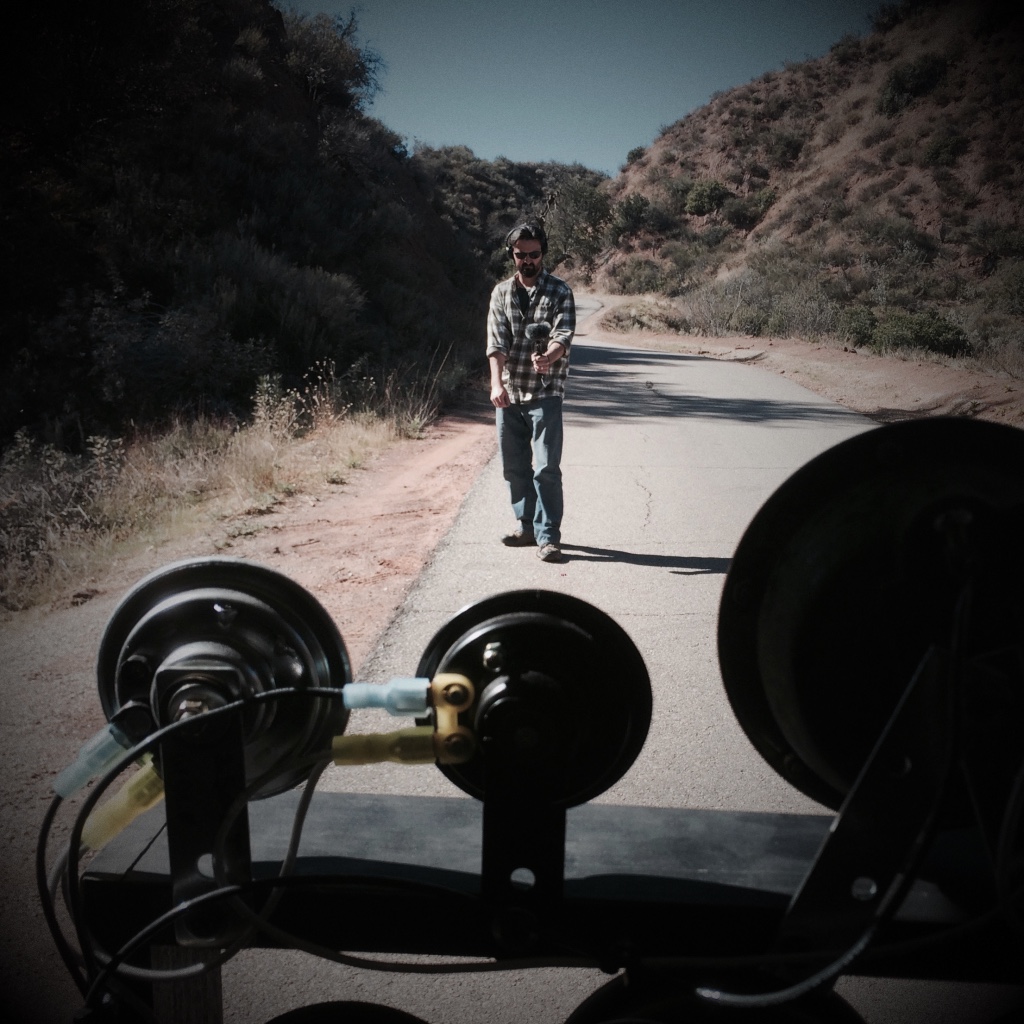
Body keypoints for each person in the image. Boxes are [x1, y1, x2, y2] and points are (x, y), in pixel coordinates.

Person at [486, 221, 575, 563]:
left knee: (546, 468)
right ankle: (526, 526)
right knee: (514, 467)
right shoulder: (501, 293)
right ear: (512, 255)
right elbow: (497, 342)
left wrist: (548, 357)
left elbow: (563, 334)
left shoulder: (559, 291)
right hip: (510, 391)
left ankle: (548, 537)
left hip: (546, 391)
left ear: (543, 253)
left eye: (534, 254)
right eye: (521, 255)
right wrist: (496, 383)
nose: (528, 261)